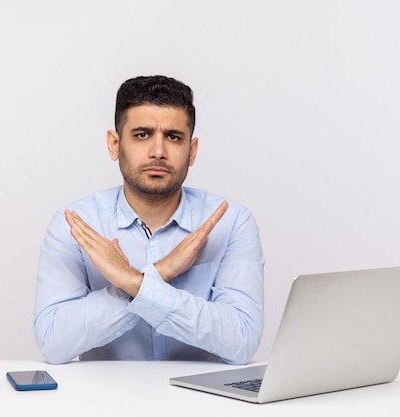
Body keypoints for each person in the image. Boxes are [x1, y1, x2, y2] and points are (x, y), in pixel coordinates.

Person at [33, 75, 264, 365]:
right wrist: (161, 272)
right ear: (114, 144)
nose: (158, 152)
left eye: (173, 137)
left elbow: (242, 341)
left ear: (191, 151)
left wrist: (133, 281)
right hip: (105, 404)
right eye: (142, 135)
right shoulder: (76, 225)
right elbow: (53, 342)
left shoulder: (231, 223)